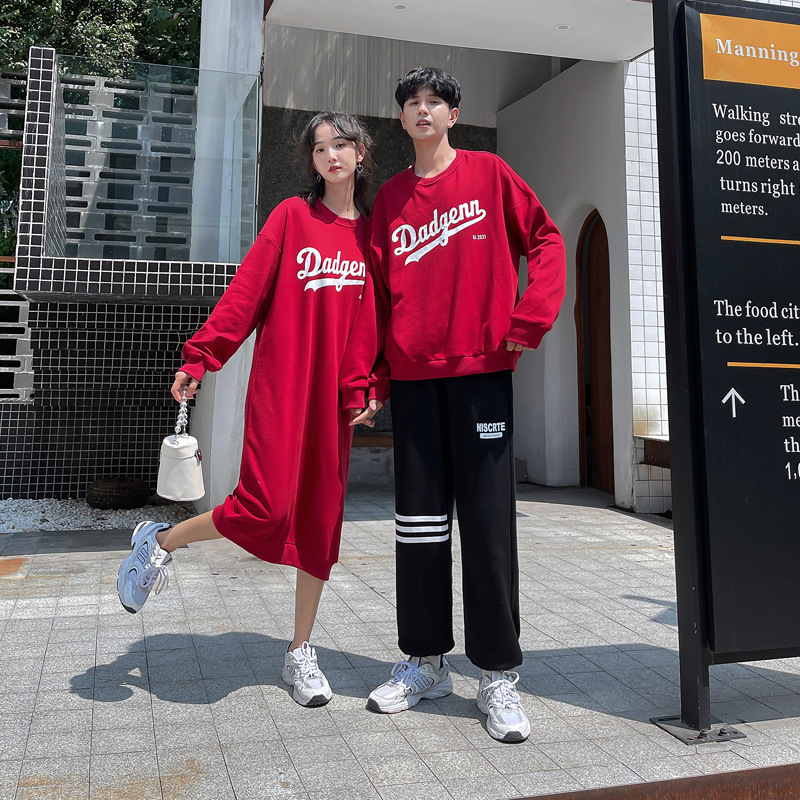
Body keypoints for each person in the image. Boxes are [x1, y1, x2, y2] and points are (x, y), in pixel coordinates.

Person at [117, 111, 380, 708]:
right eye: (320, 148)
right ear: (312, 160)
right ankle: (162, 540)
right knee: (264, 506)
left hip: (334, 402)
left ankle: (300, 651)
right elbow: (246, 293)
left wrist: (370, 387)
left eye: (341, 144)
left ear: (361, 152)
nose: (331, 155)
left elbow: (377, 323)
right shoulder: (291, 217)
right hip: (281, 388)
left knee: (320, 523)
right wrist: (200, 357)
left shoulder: (373, 237)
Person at [364, 67, 567, 742]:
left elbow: (547, 241)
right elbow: (375, 297)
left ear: (454, 114)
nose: (423, 111)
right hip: (414, 379)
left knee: (486, 525)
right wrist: (372, 380)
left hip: (481, 373)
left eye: (435, 102)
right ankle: (425, 662)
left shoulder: (490, 174)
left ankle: (499, 673)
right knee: (419, 526)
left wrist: (528, 318)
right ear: (401, 119)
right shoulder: (390, 199)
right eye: (412, 103)